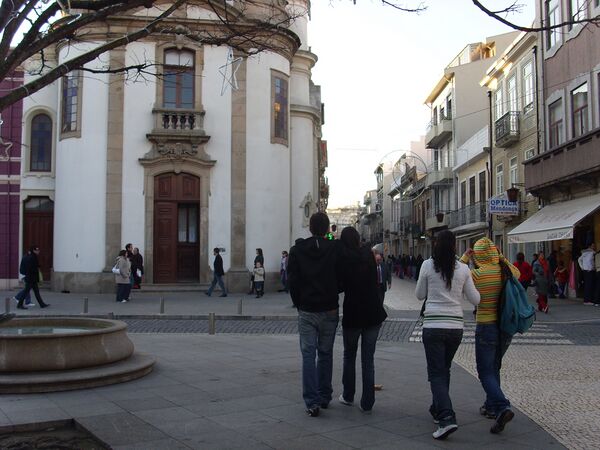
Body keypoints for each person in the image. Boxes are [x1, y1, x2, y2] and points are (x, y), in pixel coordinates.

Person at [416, 230, 480, 440]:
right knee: (444, 369)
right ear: (454, 246)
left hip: (433, 325)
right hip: (455, 328)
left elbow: (419, 295)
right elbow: (475, 299)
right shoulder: (463, 269)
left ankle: (446, 417)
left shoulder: (427, 265)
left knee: (436, 372)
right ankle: (437, 409)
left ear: (436, 245)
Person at [460, 238, 520, 434]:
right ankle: (491, 406)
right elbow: (518, 273)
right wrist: (500, 257)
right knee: (494, 367)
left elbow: (456, 276)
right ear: (494, 252)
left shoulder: (476, 274)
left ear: (478, 255)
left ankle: (502, 406)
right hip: (505, 327)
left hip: (486, 326)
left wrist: (465, 257)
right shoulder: (505, 271)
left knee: (485, 371)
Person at [288, 212, 341, 417]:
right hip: (329, 308)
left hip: (307, 309)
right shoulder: (334, 248)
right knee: (326, 353)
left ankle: (311, 402)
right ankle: (324, 395)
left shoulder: (297, 250)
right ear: (327, 228)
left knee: (308, 355)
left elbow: (293, 281)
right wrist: (335, 292)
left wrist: (298, 303)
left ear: (310, 228)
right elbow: (342, 276)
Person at [338, 227, 387, 414]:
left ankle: (348, 395)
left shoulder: (344, 259)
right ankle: (367, 403)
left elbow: (340, 285)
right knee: (368, 359)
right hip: (373, 312)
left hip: (353, 313)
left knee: (349, 356)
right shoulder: (369, 255)